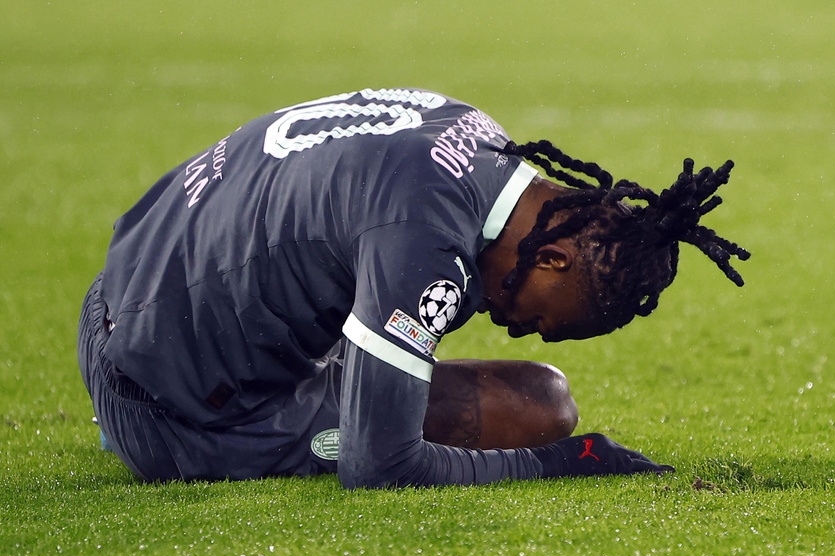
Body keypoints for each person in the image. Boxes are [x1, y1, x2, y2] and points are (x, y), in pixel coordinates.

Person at [77, 88, 750, 488]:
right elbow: (380, 466)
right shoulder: (425, 238)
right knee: (538, 422)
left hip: (131, 289)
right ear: (552, 259)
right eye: (553, 320)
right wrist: (571, 462)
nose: (520, 329)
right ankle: (177, 432)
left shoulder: (476, 136)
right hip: (164, 402)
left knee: (544, 393)